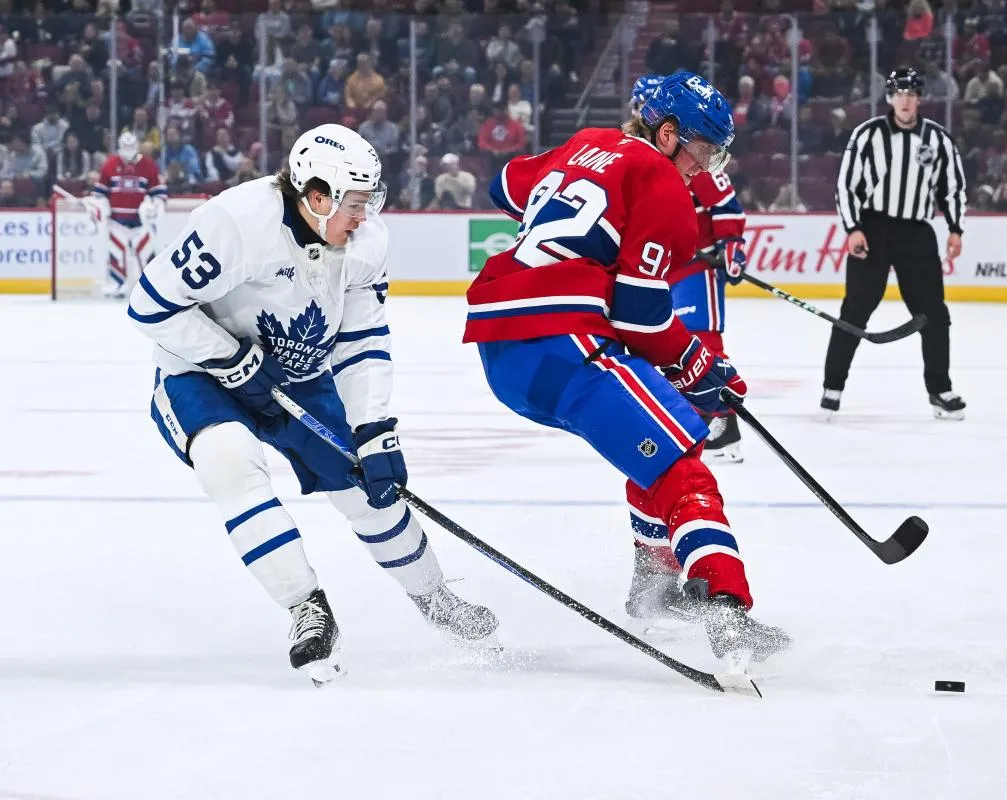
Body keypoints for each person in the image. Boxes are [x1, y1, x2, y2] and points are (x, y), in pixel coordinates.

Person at [126, 124, 498, 686]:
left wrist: (373, 426)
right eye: (354, 203)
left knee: (367, 489)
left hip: (300, 374)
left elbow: (362, 337)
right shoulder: (237, 224)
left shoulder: (365, 240)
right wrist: (230, 358)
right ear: (316, 196)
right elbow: (149, 304)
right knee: (229, 464)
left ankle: (433, 597)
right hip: (199, 372)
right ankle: (306, 607)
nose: (365, 216)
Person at [463, 72, 789, 665]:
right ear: (668, 134)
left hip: (503, 349)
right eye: (702, 149)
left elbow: (502, 184)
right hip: (564, 341)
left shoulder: (585, 139)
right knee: (686, 470)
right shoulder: (662, 181)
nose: (704, 165)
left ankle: (656, 584)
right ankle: (727, 612)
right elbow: (641, 316)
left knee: (658, 441)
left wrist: (569, 178)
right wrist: (700, 364)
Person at [825, 66, 968, 420]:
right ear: (890, 98)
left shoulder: (938, 140)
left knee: (934, 314)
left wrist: (955, 228)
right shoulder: (866, 134)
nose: (905, 100)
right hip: (873, 229)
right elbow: (847, 186)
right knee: (855, 310)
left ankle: (940, 389)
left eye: (911, 93)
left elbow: (951, 188)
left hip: (917, 232)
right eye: (899, 93)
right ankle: (832, 387)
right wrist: (853, 228)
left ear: (919, 98)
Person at [630, 73, 748, 464]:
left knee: (704, 339)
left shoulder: (694, 156)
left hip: (701, 266)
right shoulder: (639, 160)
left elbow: (727, 204)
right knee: (673, 342)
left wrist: (731, 245)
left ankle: (725, 422)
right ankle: (690, 416)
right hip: (669, 268)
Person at [87, 131, 167, 298]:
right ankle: (117, 283)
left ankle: (152, 285)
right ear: (120, 146)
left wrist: (154, 206)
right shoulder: (110, 165)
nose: (128, 149)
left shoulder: (148, 165)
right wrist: (99, 207)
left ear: (136, 146)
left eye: (131, 146)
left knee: (147, 253)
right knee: (115, 253)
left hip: (141, 222)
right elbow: (100, 193)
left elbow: (159, 193)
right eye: (125, 146)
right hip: (116, 221)